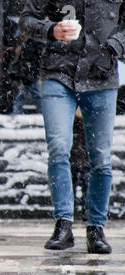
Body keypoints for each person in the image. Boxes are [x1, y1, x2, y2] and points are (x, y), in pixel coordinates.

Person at [20, 0, 125, 254]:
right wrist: (50, 29)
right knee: (58, 147)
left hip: (101, 76)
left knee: (101, 157)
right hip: (58, 74)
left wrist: (114, 46)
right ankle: (63, 223)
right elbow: (26, 21)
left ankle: (96, 227)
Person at [11, 38, 45, 115]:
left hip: (29, 72)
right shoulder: (31, 43)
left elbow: (31, 59)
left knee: (26, 93)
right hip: (29, 72)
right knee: (31, 93)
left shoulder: (32, 44)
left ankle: (16, 111)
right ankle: (42, 111)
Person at [70, 108, 90, 222]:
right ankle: (71, 210)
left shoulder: (87, 121)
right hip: (74, 157)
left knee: (86, 184)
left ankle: (85, 210)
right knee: (72, 184)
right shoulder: (72, 122)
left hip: (84, 158)